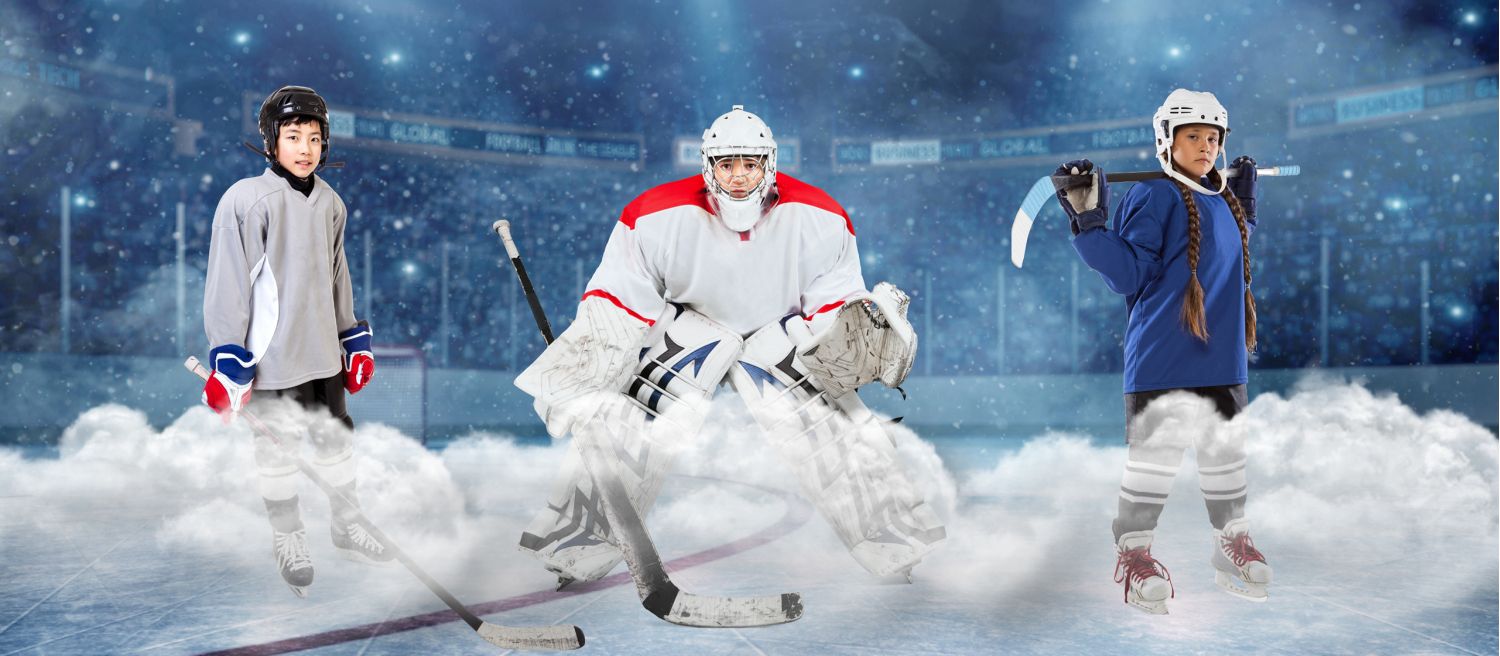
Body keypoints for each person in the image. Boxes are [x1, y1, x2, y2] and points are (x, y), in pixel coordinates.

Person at [514, 105, 945, 588]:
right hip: (689, 326)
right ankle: (576, 544)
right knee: (630, 419)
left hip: (778, 331)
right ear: (708, 166)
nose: (738, 177)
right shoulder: (653, 216)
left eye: (750, 164)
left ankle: (894, 542)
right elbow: (618, 301)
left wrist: (857, 335)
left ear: (769, 165)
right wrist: (585, 382)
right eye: (727, 164)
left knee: (827, 424)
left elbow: (832, 304)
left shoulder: (822, 217)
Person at [1054, 89, 1271, 614]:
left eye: (1213, 137)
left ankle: (1231, 544)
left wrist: (1244, 202)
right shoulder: (1152, 196)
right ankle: (1134, 556)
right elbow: (1129, 274)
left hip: (1223, 361)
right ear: (1166, 141)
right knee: (1152, 466)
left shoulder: (1222, 200)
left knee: (1226, 462)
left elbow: (1222, 257)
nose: (1206, 145)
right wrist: (1088, 223)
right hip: (1161, 358)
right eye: (1193, 135)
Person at [202, 85, 392, 598]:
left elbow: (337, 275)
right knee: (278, 455)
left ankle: (347, 524)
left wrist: (353, 338)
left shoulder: (331, 201)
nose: (305, 148)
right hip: (274, 360)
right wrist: (228, 359)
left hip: (322, 355)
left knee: (336, 444)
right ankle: (288, 537)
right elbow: (229, 282)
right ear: (272, 142)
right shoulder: (246, 199)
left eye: (313, 137)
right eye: (292, 136)